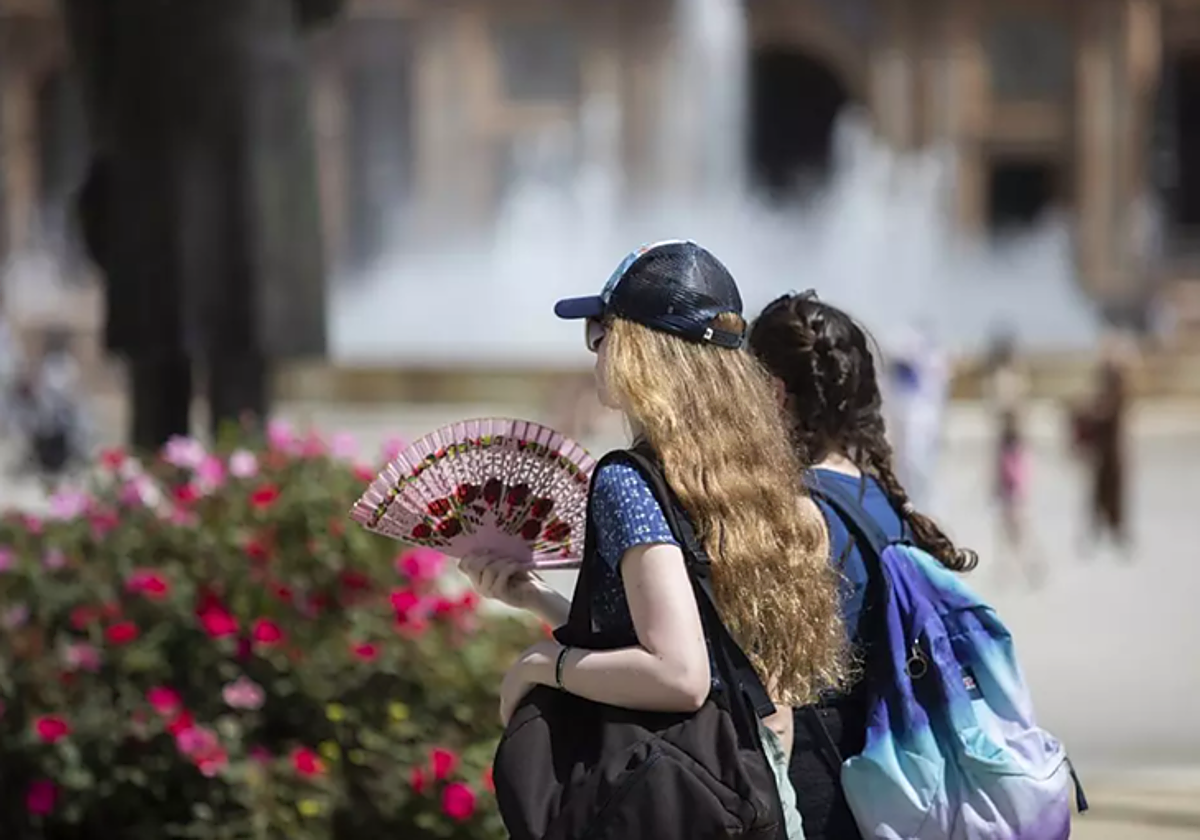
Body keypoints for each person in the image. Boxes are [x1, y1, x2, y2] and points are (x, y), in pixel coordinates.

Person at [460, 241, 849, 840]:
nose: (594, 351)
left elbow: (679, 673)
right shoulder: (747, 478)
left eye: (601, 330)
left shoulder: (627, 480)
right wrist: (538, 599)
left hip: (667, 802)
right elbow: (712, 655)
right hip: (758, 792)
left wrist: (544, 663)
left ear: (642, 348)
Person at [748, 291, 978, 840]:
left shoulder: (797, 514)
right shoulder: (885, 501)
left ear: (775, 394)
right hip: (891, 778)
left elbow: (777, 693)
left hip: (820, 787)